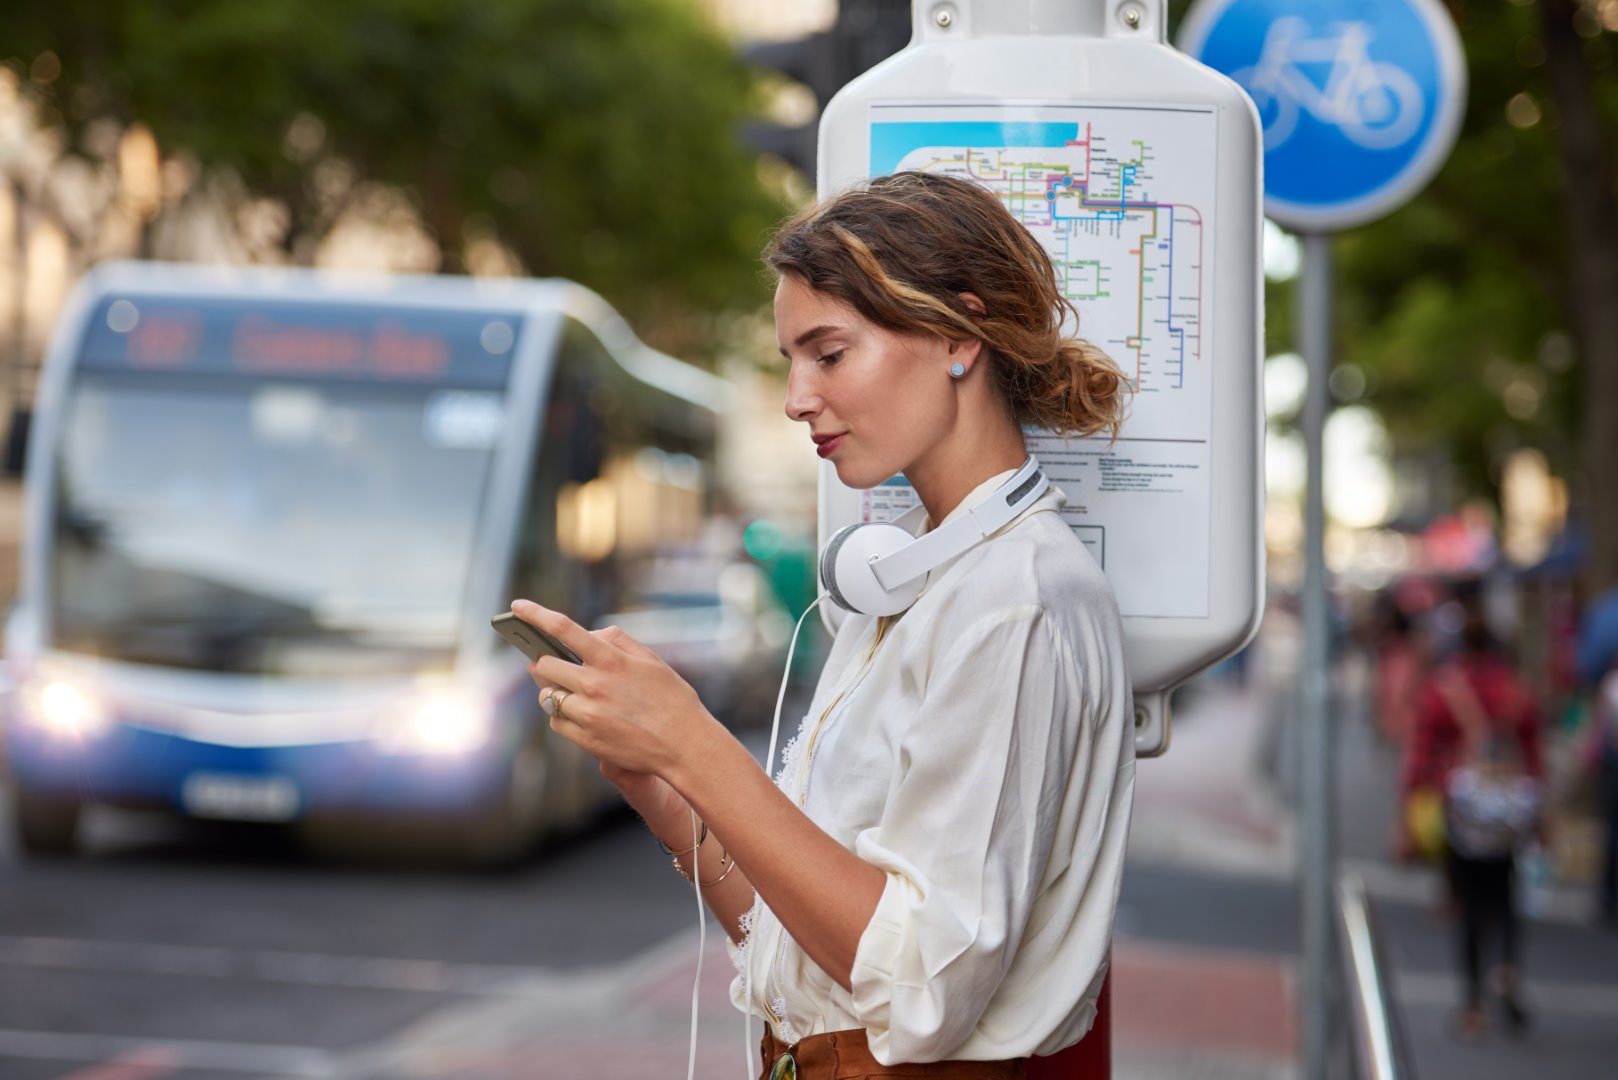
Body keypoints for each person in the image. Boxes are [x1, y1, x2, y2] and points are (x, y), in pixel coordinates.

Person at [508, 171, 1136, 1078]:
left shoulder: (1015, 598)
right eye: (790, 362)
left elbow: (922, 990)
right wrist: (651, 772)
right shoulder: (917, 578)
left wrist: (694, 744)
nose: (798, 397)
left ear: (959, 334)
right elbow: (795, 945)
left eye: (829, 354)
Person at [1403, 601, 1543, 1039]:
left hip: (1462, 810)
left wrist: (1409, 810)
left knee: (1468, 905)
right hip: (1510, 811)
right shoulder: (1518, 689)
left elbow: (1422, 754)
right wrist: (1540, 815)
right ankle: (1506, 969)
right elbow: (1535, 761)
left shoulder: (1445, 688)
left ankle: (1473, 1008)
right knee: (1505, 895)